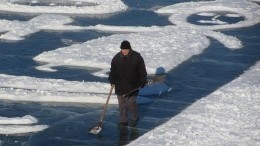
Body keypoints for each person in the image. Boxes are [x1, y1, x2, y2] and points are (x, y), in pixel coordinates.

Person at [109, 40, 147, 129]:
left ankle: (134, 118)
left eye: (126, 49)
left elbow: (142, 70)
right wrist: (112, 80)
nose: (124, 51)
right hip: (120, 85)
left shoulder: (137, 57)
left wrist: (142, 81)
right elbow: (112, 71)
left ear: (130, 49)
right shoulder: (116, 58)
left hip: (133, 85)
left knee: (131, 103)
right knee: (122, 104)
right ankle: (123, 121)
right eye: (123, 49)